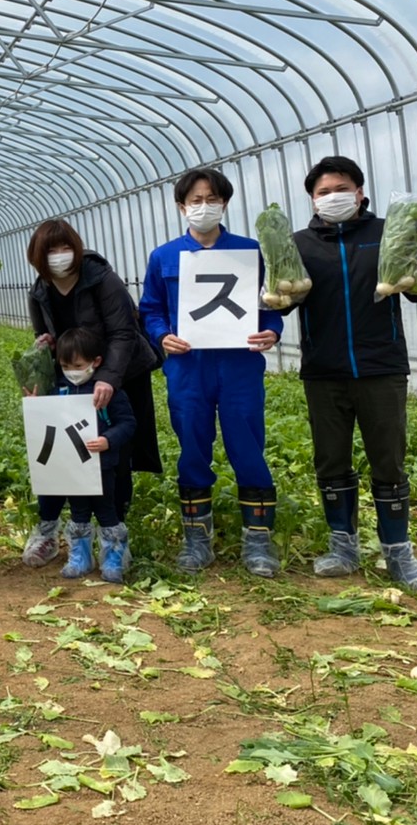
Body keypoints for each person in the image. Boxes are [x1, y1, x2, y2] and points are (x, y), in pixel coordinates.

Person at [291, 156, 417, 592]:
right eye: (323, 192)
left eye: (341, 189)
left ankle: (399, 551)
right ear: (313, 200)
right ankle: (343, 545)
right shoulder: (299, 244)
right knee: (331, 460)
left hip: (381, 367)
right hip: (323, 370)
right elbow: (280, 301)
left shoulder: (388, 234)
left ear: (359, 192)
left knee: (388, 460)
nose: (332, 197)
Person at [139, 168, 284, 577]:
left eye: (212, 199)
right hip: (188, 367)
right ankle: (196, 540)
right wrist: (162, 336)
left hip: (239, 365)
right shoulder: (165, 256)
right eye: (195, 201)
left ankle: (258, 542)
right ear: (181, 207)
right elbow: (150, 308)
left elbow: (271, 303)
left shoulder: (251, 251)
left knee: (248, 445)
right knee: (192, 448)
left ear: (225, 203)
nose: (204, 207)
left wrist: (272, 330)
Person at [23, 219, 162, 567]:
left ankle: (115, 535)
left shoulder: (103, 280)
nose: (59, 256)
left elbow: (123, 333)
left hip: (121, 374)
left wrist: (108, 379)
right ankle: (56, 532)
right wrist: (44, 362)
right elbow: (46, 339)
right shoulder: (40, 290)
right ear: (38, 257)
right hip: (73, 377)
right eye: (50, 251)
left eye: (64, 247)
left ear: (77, 247)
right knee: (65, 452)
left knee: (116, 454)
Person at [29, 328, 137, 582]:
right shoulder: (58, 390)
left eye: (77, 365)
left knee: (106, 510)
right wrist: (35, 404)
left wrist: (108, 440)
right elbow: (47, 418)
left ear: (96, 362)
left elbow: (128, 423)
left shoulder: (107, 392)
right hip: (72, 467)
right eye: (65, 366)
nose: (71, 371)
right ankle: (80, 556)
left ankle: (114, 557)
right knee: (78, 511)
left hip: (102, 466)